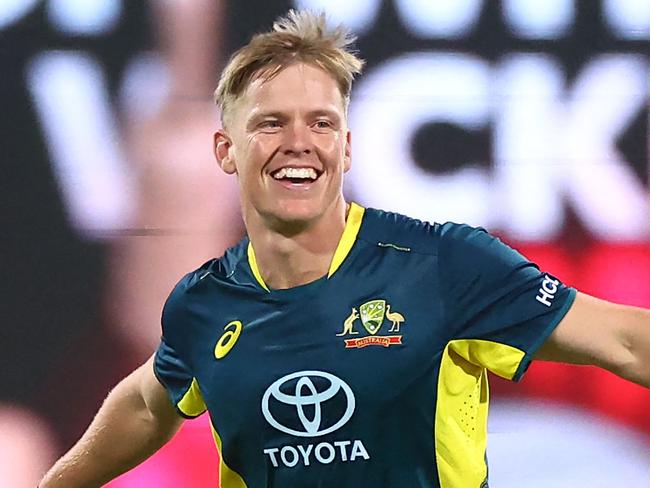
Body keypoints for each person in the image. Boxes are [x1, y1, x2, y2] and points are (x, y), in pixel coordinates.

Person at [40, 10, 650, 488]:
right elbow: (149, 404)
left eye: (322, 122)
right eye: (271, 123)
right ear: (226, 150)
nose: (299, 143)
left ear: (349, 147)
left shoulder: (443, 265)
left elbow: (625, 341)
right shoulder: (203, 303)